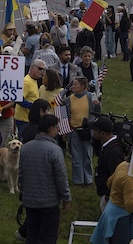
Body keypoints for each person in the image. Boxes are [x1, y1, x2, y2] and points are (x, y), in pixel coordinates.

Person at [19, 114, 72, 244]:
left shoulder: (25, 147)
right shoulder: (55, 150)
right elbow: (61, 177)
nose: (58, 129)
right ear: (50, 129)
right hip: (48, 202)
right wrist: (66, 198)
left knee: (32, 234)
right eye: (57, 126)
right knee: (48, 236)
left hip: (29, 200)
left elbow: (21, 174)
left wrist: (24, 191)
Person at [90, 158, 133, 244]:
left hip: (111, 209)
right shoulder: (128, 179)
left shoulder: (123, 165)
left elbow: (109, 183)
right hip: (120, 217)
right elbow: (129, 207)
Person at [60, 76, 102, 186]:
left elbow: (98, 113)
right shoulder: (68, 100)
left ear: (83, 86)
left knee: (87, 155)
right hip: (74, 131)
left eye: (75, 84)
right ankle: (78, 180)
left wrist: (98, 105)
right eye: (72, 85)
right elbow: (64, 116)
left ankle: (88, 179)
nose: (73, 87)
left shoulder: (90, 97)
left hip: (87, 131)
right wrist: (65, 131)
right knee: (76, 156)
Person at [91, 116, 128, 211]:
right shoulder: (108, 145)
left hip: (110, 197)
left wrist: (108, 195)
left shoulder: (113, 152)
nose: (93, 132)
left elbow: (116, 176)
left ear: (103, 133)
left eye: (95, 130)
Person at [15, 59, 46, 135]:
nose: (42, 71)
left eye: (43, 70)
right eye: (40, 69)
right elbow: (18, 99)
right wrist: (34, 107)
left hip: (29, 119)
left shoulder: (33, 80)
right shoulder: (26, 81)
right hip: (24, 120)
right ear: (32, 68)